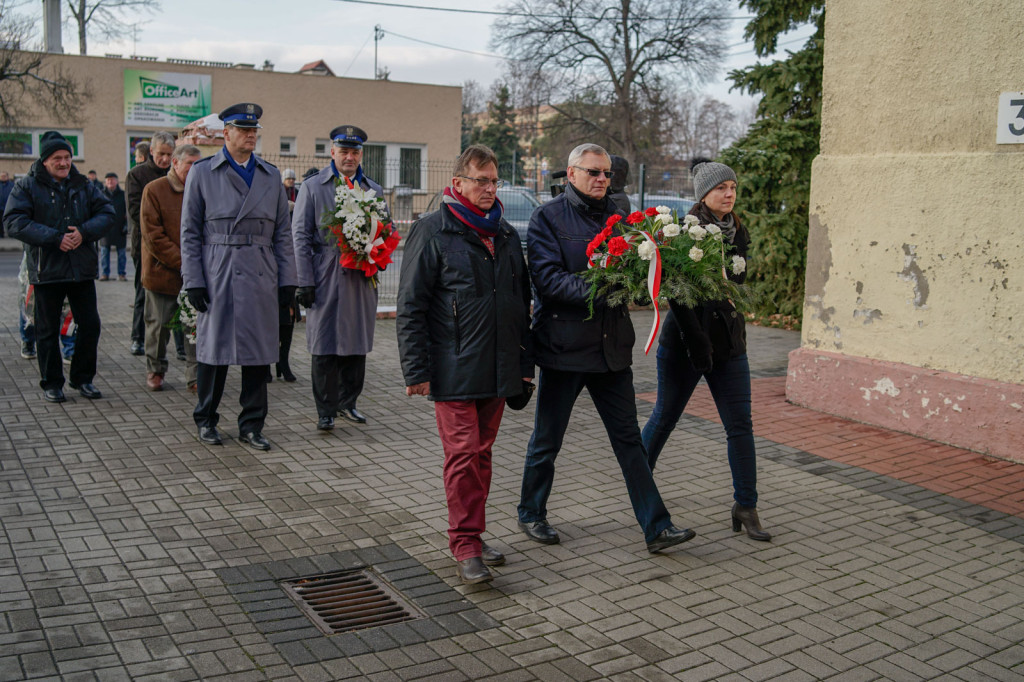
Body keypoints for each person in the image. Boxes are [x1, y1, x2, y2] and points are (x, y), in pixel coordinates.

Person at [517, 143, 696, 554]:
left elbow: (640, 268)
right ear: (571, 173)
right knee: (548, 438)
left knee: (629, 440)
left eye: (606, 174)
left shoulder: (622, 220)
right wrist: (607, 288)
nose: (601, 179)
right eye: (593, 172)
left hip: (612, 349)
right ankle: (531, 512)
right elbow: (548, 281)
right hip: (565, 347)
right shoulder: (548, 217)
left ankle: (657, 527)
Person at [397, 145, 533, 584]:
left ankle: (474, 532)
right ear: (458, 184)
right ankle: (466, 545)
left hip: (497, 369)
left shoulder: (508, 235)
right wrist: (415, 371)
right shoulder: (433, 230)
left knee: (482, 456)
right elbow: (410, 305)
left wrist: (524, 366)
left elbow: (520, 305)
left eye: (495, 181)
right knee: (461, 457)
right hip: (453, 368)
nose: (490, 189)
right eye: (481, 180)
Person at [641, 158, 770, 541]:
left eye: (732, 187)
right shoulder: (684, 233)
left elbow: (738, 287)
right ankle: (639, 491)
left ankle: (746, 505)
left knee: (740, 425)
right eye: (721, 189)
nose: (729, 194)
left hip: (730, 345)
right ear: (703, 195)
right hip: (686, 343)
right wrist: (698, 345)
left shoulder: (738, 232)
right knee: (664, 417)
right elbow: (679, 298)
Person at [181, 102, 297, 450]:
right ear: (226, 133)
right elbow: (189, 232)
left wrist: (287, 280)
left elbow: (283, 233)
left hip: (261, 269)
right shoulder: (203, 172)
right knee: (214, 349)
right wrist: (194, 280)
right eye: (243, 130)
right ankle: (206, 419)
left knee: (258, 352)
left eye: (254, 131)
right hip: (219, 268)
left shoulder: (270, 175)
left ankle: (252, 424)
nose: (250, 136)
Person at [4, 131, 113, 402]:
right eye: (57, 158)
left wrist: (84, 232)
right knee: (47, 330)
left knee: (90, 325)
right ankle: (52, 382)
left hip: (80, 269)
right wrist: (54, 238)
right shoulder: (27, 186)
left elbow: (107, 213)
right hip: (47, 269)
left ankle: (82, 378)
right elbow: (14, 221)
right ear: (44, 161)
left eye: (67, 157)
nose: (64, 163)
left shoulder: (84, 185)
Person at [292, 125, 385, 428]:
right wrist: (304, 280)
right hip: (326, 271)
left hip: (361, 275)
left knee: (356, 342)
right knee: (325, 344)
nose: (349, 156)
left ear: (361, 154)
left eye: (355, 151)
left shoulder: (373, 189)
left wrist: (379, 257)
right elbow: (301, 236)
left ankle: (349, 402)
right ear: (332, 151)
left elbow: (386, 229)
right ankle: (326, 410)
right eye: (343, 150)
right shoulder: (313, 187)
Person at [140, 144, 202, 393]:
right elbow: (153, 236)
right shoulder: (154, 190)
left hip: (195, 273)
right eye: (190, 163)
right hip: (163, 272)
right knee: (159, 325)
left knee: (194, 325)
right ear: (175, 163)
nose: (194, 169)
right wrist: (184, 261)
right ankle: (156, 369)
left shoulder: (202, 190)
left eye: (198, 164)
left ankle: (195, 375)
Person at [125, 132, 173, 356]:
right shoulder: (137, 175)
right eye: (161, 154)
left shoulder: (177, 174)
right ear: (151, 152)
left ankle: (175, 343)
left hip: (172, 246)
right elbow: (136, 212)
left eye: (169, 155)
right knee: (143, 292)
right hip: (144, 245)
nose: (165, 159)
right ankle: (138, 337)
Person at [99, 173, 127, 281]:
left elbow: (127, 212)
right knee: (104, 253)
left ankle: (122, 274)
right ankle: (105, 274)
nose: (110, 182)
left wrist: (126, 225)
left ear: (117, 181)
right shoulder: (101, 194)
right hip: (106, 228)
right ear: (105, 182)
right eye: (108, 180)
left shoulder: (122, 195)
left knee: (122, 254)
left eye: (112, 180)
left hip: (120, 228)